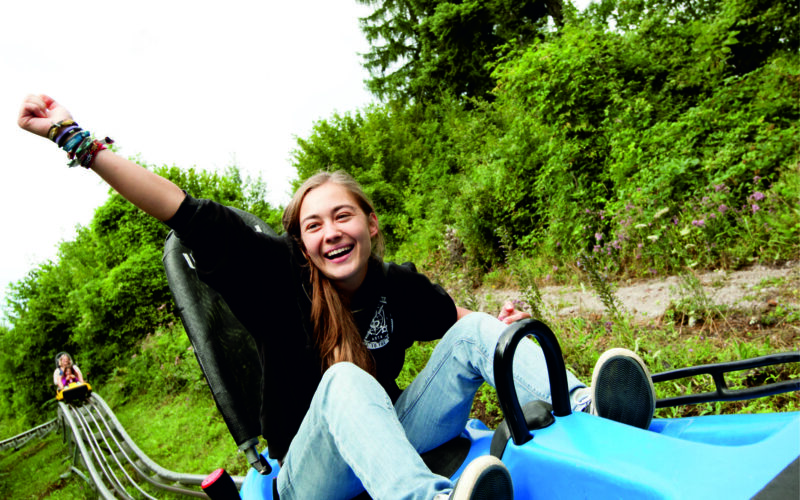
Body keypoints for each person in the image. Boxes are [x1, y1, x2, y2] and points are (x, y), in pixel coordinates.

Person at [19, 94, 656, 500]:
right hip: (310, 476)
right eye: (313, 225)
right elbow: (181, 209)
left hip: (389, 438)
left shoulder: (397, 285)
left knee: (481, 328)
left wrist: (504, 331)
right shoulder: (278, 279)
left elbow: (463, 327)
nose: (331, 234)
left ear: (370, 224)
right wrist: (75, 138)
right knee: (349, 382)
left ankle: (585, 409)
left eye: (342, 217)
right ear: (299, 241)